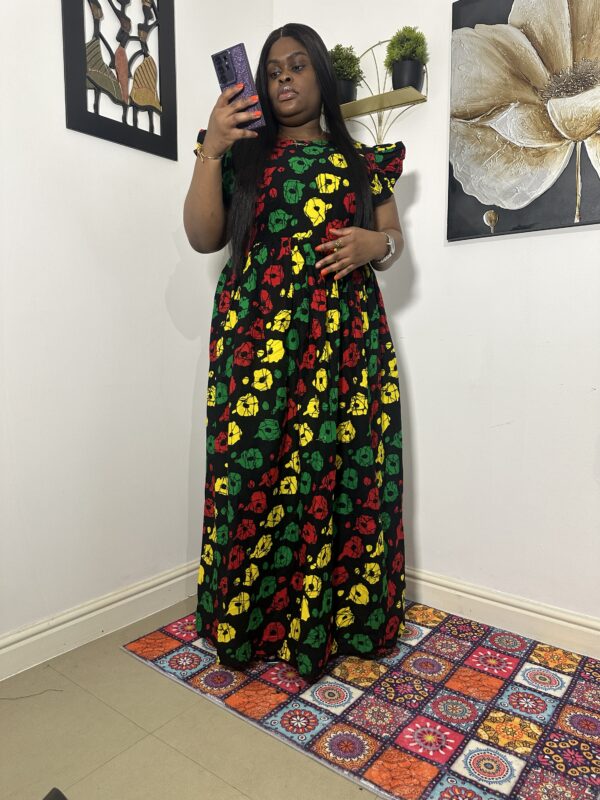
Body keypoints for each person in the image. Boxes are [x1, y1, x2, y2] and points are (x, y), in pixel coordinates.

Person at [184, 22, 406, 682]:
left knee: (342, 473)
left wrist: (375, 244)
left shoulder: (362, 162)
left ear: (322, 77)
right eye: (273, 68)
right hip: (257, 343)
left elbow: (392, 240)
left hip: (345, 345)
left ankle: (338, 621)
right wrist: (212, 149)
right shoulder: (241, 157)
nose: (283, 76)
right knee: (253, 476)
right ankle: (251, 620)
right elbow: (203, 237)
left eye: (298, 64)